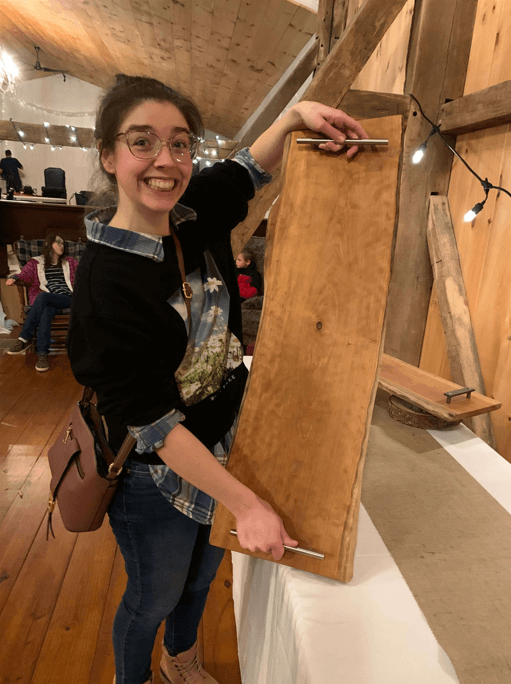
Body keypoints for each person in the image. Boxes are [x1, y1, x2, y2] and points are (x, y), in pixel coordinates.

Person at [67, 74, 368, 684]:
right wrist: (247, 503)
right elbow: (153, 423)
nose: (166, 161)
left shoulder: (192, 211)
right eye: (142, 142)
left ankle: (180, 660)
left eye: (180, 143)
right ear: (108, 155)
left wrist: (296, 115)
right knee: (152, 596)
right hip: (152, 471)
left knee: (202, 579)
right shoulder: (104, 287)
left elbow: (247, 169)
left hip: (224, 442)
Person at [6, 234, 77, 371]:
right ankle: (42, 354)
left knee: (43, 297)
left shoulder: (69, 262)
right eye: (58, 242)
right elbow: (24, 274)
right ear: (49, 245)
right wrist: (15, 278)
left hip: (67, 298)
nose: (62, 245)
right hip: (48, 301)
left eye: (63, 243)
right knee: (46, 311)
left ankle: (24, 338)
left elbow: (83, 271)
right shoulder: (36, 263)